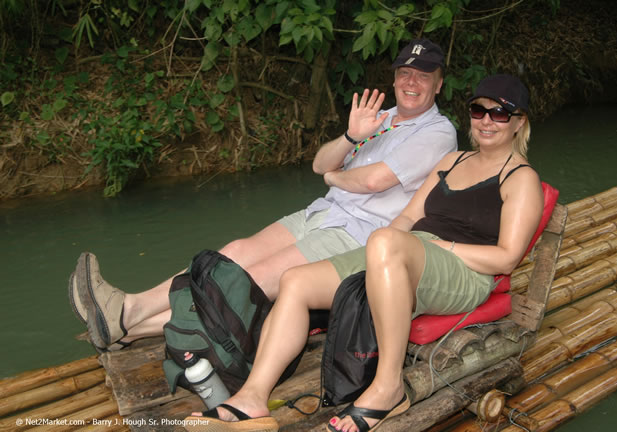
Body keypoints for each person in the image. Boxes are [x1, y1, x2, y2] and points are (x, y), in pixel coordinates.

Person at [182, 73, 544, 432]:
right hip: (409, 254)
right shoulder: (452, 161)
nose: (486, 121)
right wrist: (381, 252)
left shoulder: (520, 177)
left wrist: (427, 246)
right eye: (479, 110)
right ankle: (251, 399)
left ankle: (388, 389)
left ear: (519, 122)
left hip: (464, 272)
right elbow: (407, 216)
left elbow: (507, 258)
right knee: (296, 281)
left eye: (499, 113)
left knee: (386, 241)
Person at [69, 38, 457, 352]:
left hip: (359, 233)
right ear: (394, 79)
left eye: (423, 76)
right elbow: (320, 164)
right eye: (405, 72)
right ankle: (127, 320)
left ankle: (126, 318)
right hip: (322, 211)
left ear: (438, 84)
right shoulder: (379, 118)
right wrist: (351, 137)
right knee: (234, 252)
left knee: (249, 280)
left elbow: (374, 181)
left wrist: (337, 178)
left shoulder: (438, 132)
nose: (411, 82)